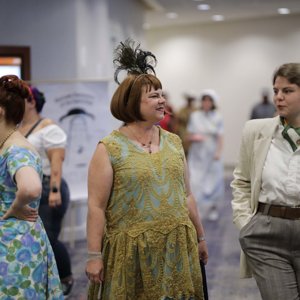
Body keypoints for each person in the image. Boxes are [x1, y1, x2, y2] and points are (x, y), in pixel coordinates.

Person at [85, 39, 208, 299]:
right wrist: (94, 255)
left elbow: (187, 195)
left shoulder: (173, 142)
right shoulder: (109, 148)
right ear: (131, 102)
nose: (162, 101)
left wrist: (200, 236)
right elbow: (96, 206)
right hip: (131, 253)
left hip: (176, 247)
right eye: (154, 96)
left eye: (162, 94)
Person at [231, 63, 300, 299]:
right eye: (276, 91)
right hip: (267, 234)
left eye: (288, 91)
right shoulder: (255, 131)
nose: (279, 97)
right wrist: (245, 223)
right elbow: (242, 181)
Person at [0, 75, 63, 298]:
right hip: (14, 242)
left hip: (15, 249)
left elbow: (31, 188)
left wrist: (17, 206)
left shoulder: (16, 149)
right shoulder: (9, 143)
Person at [18, 86, 73, 297]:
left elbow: (56, 161)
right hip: (29, 190)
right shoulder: (18, 127)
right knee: (34, 238)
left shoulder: (48, 128)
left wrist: (55, 191)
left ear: (32, 102)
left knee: (48, 237)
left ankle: (66, 278)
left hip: (50, 186)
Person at [187, 90, 224, 221]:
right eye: (204, 100)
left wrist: (218, 153)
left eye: (209, 100)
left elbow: (220, 136)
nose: (206, 103)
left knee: (213, 181)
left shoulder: (217, 116)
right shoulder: (195, 116)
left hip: (211, 153)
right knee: (195, 181)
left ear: (213, 102)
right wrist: (193, 137)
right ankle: (197, 210)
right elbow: (189, 134)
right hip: (197, 153)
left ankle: (213, 207)